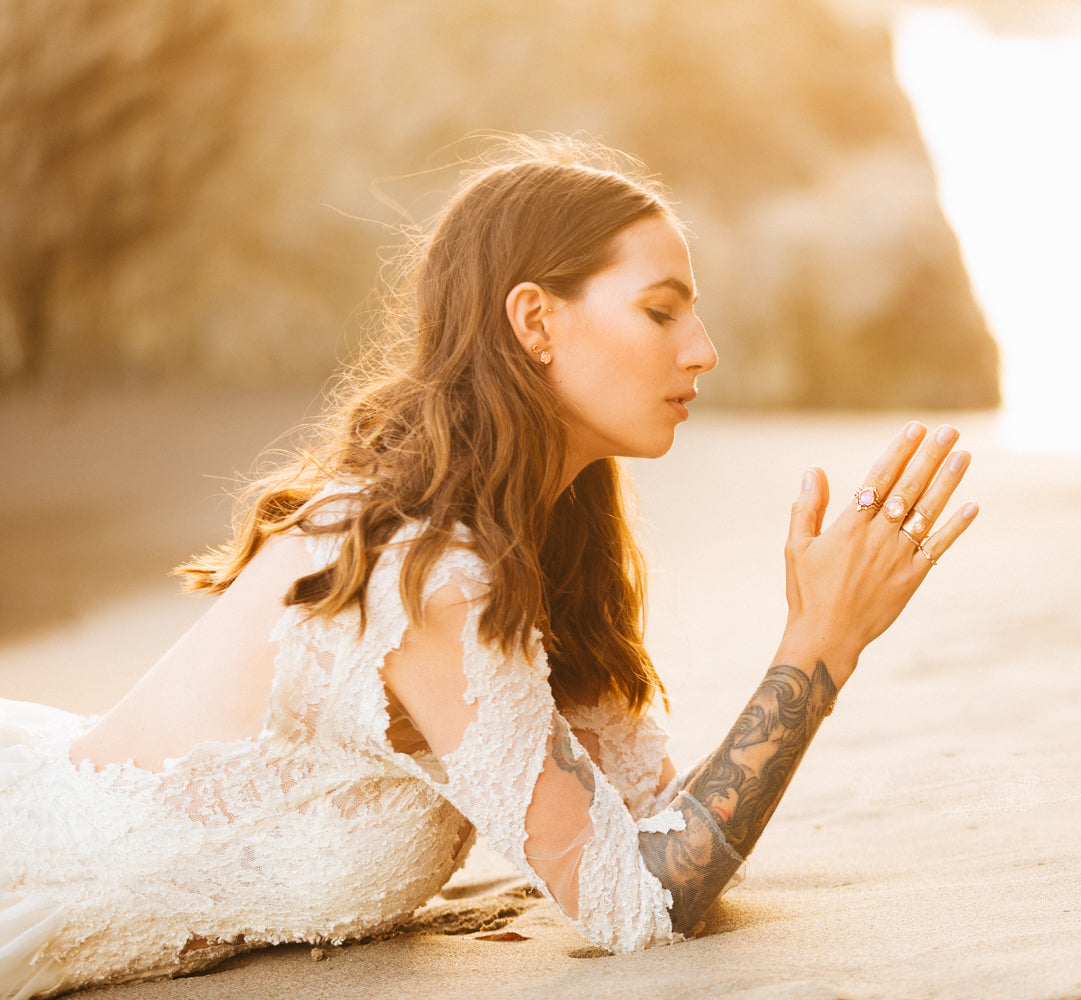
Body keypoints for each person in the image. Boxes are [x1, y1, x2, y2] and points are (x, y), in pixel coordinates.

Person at [0, 140, 977, 999]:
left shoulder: (542, 534)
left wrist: (819, 636)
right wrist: (818, 646)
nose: (704, 350)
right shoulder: (428, 570)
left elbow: (654, 826)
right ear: (535, 321)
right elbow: (637, 902)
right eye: (661, 312)